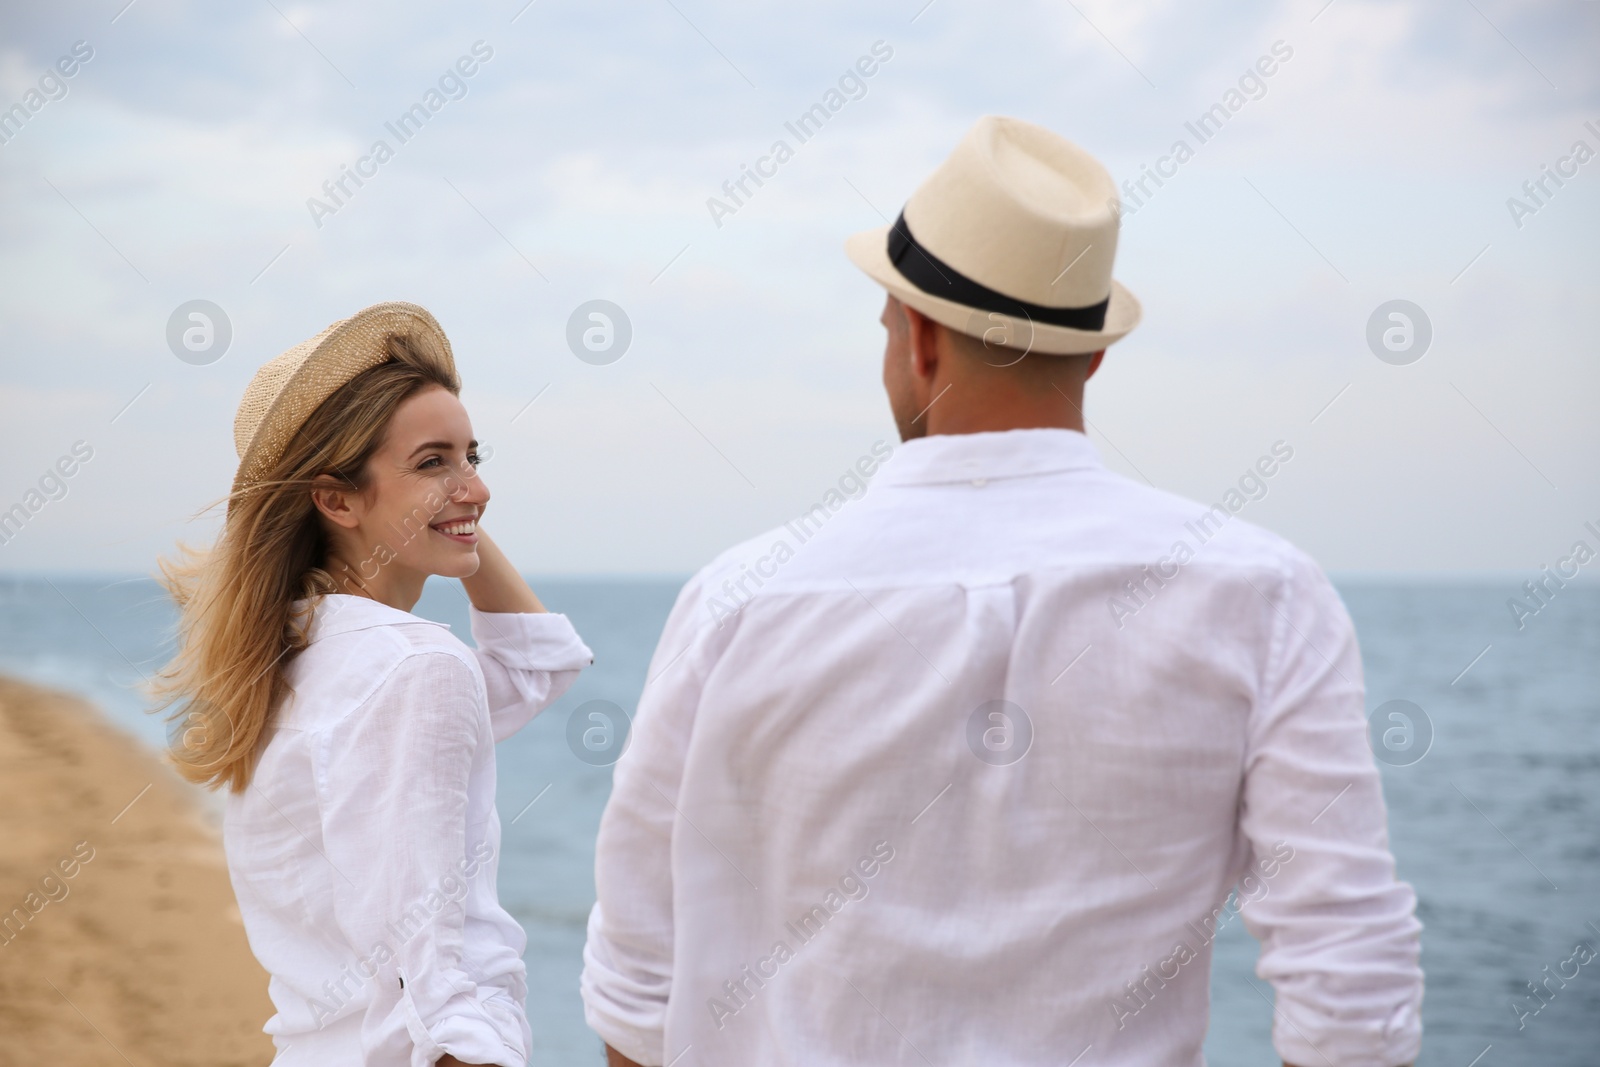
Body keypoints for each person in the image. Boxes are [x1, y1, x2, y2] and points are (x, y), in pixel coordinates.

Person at [580, 117, 1423, 1066]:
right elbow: (1352, 988)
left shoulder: (741, 602)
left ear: (924, 343)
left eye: (890, 326)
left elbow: (640, 983)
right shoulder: (1266, 594)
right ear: (1094, 352)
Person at [154, 302, 593, 1066]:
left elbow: (535, 665)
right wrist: (443, 512)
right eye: (433, 460)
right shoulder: (415, 665)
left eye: (473, 455)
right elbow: (428, 986)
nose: (478, 488)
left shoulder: (294, 654)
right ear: (335, 497)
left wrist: (441, 506)